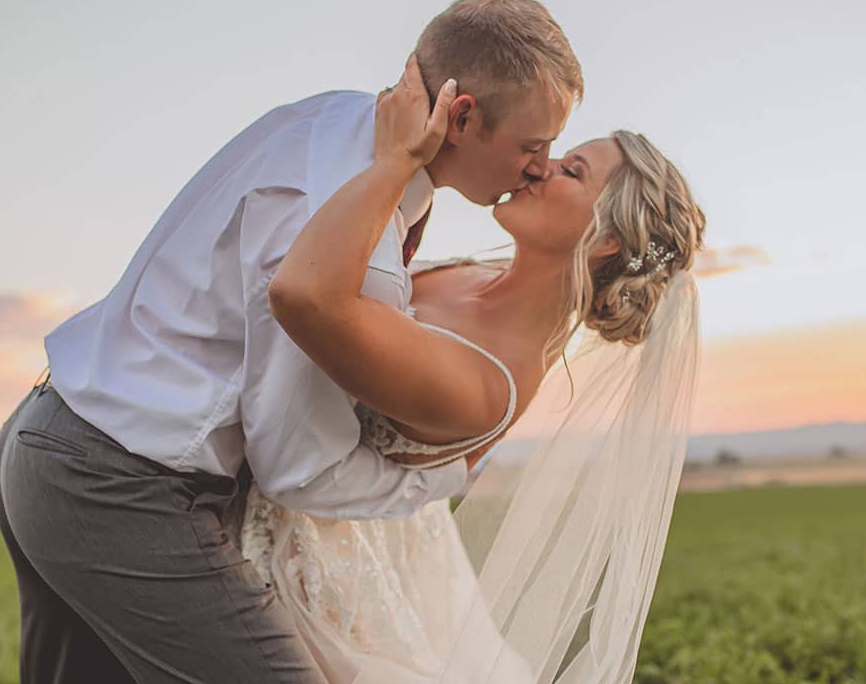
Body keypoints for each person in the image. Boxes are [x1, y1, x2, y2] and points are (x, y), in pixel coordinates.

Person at [0, 0, 582, 684]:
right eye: (532, 145)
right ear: (461, 116)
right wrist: (440, 482)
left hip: (48, 438)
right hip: (117, 484)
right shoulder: (352, 254)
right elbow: (296, 465)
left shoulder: (328, 118)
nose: (539, 166)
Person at [241, 56, 706, 683]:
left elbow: (315, 303)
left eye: (572, 170)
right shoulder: (475, 272)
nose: (540, 165)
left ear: (604, 241)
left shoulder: (488, 381)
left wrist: (397, 160)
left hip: (302, 567)